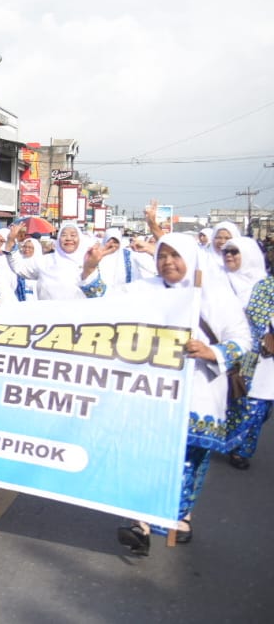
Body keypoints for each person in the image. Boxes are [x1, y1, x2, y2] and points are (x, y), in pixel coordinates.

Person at [80, 233, 248, 555]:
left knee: (187, 461)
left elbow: (241, 340)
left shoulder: (215, 293)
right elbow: (104, 302)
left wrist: (210, 351)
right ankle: (140, 523)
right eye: (162, 255)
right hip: (153, 394)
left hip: (200, 392)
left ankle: (179, 515)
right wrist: (89, 270)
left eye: (175, 255)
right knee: (145, 455)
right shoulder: (146, 290)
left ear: (191, 257)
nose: (168, 262)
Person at [222, 236, 273, 469]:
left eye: (235, 251)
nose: (229, 256)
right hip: (234, 352)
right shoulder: (219, 281)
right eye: (226, 252)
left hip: (264, 356)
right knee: (241, 400)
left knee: (260, 407)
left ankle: (240, 445)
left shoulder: (265, 285)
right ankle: (238, 449)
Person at [5, 220, 92, 300]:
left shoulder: (88, 262)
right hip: (48, 315)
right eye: (64, 235)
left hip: (77, 316)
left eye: (73, 235)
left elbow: (97, 294)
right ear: (58, 239)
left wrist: (90, 269)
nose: (68, 238)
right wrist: (11, 240)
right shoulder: (45, 261)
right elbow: (19, 268)